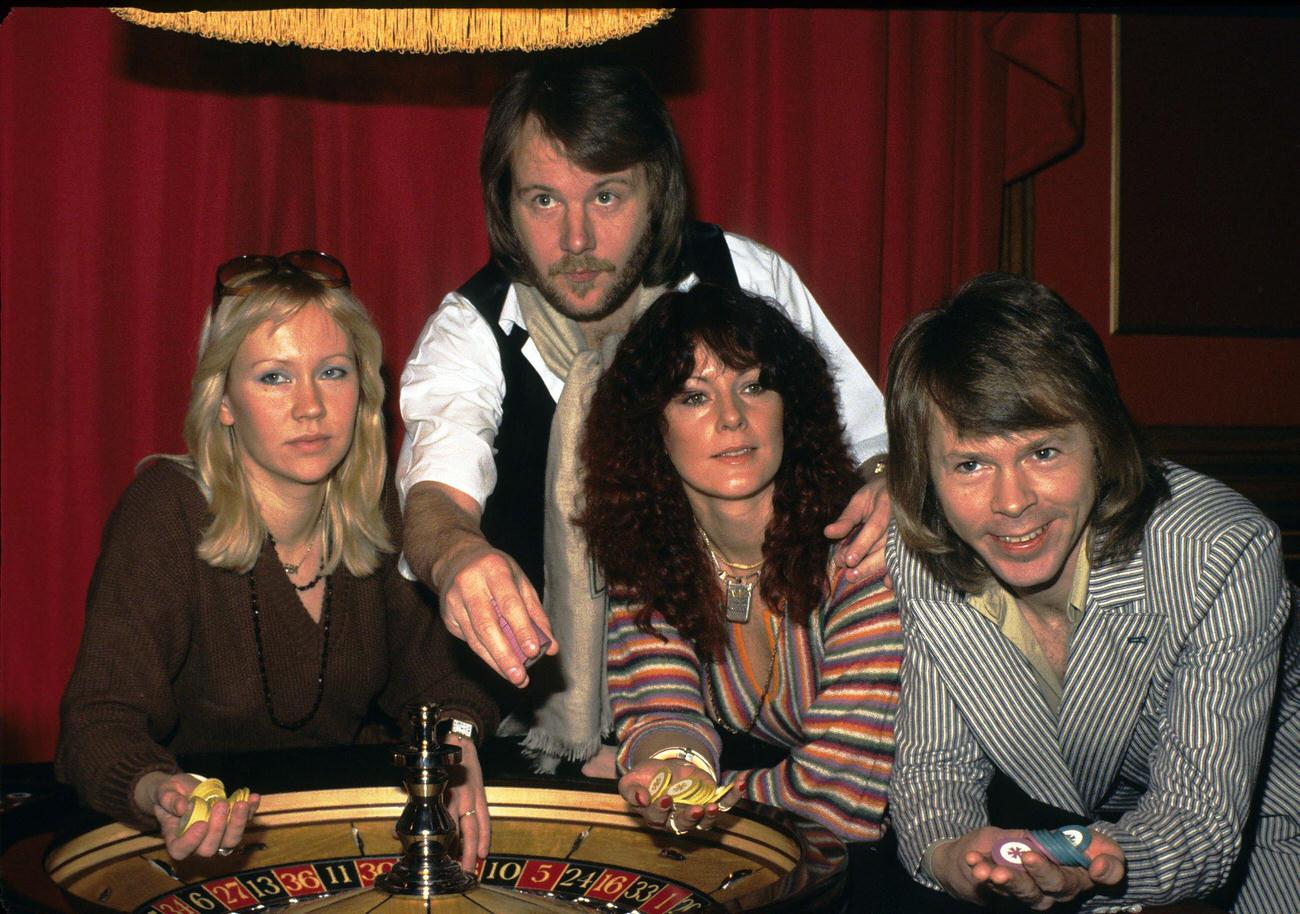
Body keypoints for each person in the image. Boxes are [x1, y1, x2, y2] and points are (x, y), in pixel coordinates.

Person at [396, 60, 892, 772]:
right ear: (504, 205)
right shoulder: (470, 330)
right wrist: (457, 556)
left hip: (748, 719)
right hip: (534, 735)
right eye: (542, 200)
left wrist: (888, 487)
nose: (576, 241)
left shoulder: (740, 276)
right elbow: (434, 499)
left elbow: (871, 443)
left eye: (605, 197)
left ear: (656, 188)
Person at [56, 252, 499, 866]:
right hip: (200, 851)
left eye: (333, 372)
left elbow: (445, 683)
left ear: (364, 390)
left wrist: (456, 740)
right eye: (275, 377)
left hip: (343, 833)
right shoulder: (166, 511)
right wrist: (157, 789)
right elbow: (99, 721)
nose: (311, 406)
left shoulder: (380, 511)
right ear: (225, 401)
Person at [883, 272, 1298, 912]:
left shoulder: (1220, 553)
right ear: (926, 475)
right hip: (1092, 828)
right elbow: (934, 771)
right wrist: (953, 854)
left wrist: (1083, 858)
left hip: (1275, 806)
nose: (1012, 501)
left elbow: (1197, 822)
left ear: (1100, 441)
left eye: (1044, 452)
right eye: (970, 464)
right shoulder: (921, 559)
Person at [576, 285, 901, 901]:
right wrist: (669, 769)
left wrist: (711, 789)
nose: (731, 418)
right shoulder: (652, 556)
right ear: (653, 429)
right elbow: (661, 709)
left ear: (790, 406)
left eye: (753, 386)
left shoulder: (859, 546)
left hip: (941, 849)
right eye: (693, 396)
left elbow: (839, 791)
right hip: (810, 853)